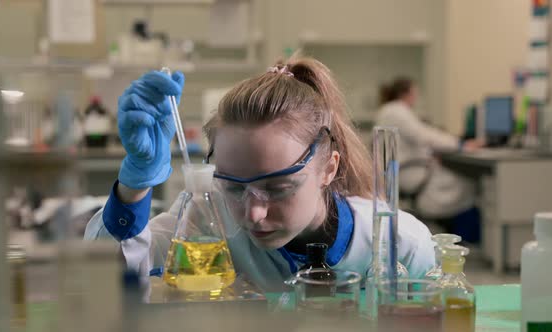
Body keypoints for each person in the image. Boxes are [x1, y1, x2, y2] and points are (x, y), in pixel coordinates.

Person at [84, 57, 435, 293]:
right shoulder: (208, 220)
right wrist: (135, 184)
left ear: (329, 167)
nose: (254, 213)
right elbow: (104, 279)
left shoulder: (398, 246)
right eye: (234, 187)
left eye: (278, 187)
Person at [376, 77, 482, 222]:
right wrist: (460, 144)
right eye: (415, 93)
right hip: (413, 173)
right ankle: (466, 235)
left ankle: (461, 231)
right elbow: (423, 135)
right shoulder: (396, 110)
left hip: (408, 171)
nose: (416, 98)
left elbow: (419, 135)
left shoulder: (390, 110)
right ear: (407, 93)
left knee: (465, 183)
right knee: (469, 183)